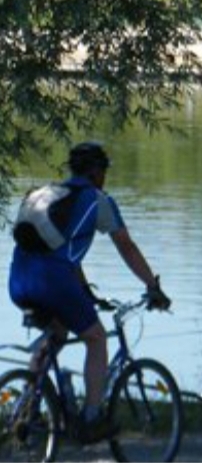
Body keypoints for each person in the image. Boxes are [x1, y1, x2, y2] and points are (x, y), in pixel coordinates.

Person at [8, 142, 170, 445]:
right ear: (97, 172)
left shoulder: (50, 196)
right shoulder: (97, 200)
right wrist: (152, 286)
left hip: (19, 279)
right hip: (52, 281)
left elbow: (65, 253)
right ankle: (91, 419)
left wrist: (84, 291)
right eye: (104, 172)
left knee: (55, 333)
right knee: (95, 338)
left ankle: (28, 408)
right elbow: (126, 246)